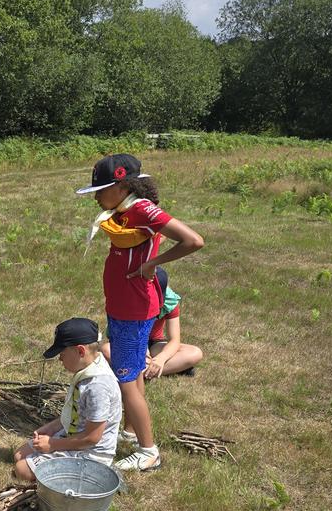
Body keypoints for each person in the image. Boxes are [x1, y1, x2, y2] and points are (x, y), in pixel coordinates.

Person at [77, 153, 204, 472]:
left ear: (122, 186)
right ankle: (133, 433)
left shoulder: (144, 210)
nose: (96, 197)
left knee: (127, 380)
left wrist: (153, 264)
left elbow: (193, 240)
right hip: (121, 306)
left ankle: (149, 452)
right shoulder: (123, 210)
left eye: (101, 190)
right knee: (130, 373)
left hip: (134, 310)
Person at [13, 318, 122, 481]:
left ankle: (80, 479)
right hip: (74, 435)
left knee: (22, 469)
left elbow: (92, 437)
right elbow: (77, 412)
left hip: (90, 454)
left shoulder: (98, 386)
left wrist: (53, 445)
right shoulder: (87, 369)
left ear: (80, 351)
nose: (60, 359)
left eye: (62, 354)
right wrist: (53, 427)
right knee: (19, 455)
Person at [101, 267, 203, 380]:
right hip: (128, 342)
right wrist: (143, 352)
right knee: (106, 349)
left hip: (155, 344)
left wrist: (161, 358)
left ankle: (140, 371)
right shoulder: (128, 301)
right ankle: (168, 368)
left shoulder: (169, 301)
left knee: (195, 353)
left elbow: (175, 340)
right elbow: (119, 335)